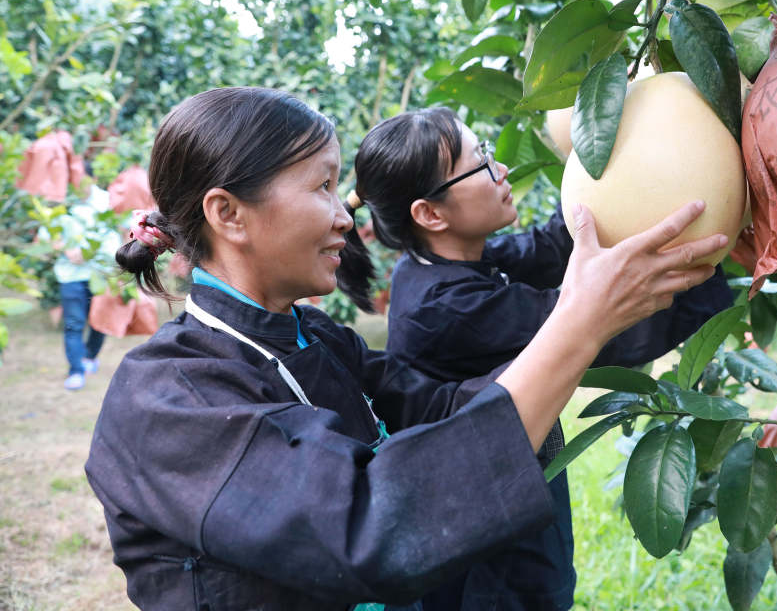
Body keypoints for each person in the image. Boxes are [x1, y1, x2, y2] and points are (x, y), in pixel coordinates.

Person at [84, 87, 727, 611]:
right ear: (228, 215)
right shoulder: (168, 400)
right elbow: (372, 529)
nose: (344, 216)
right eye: (322, 187)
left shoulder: (319, 340)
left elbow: (445, 407)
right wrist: (578, 323)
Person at [336, 107, 734, 611]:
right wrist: (720, 249)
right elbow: (600, 324)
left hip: (509, 499)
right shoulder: (444, 308)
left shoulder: (455, 263)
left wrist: (603, 147)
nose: (500, 171)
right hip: (487, 547)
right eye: (479, 165)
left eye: (486, 154)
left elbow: (552, 246)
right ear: (430, 214)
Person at [39, 181, 117, 390]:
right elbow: (46, 237)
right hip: (70, 275)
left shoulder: (107, 200)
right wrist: (66, 249)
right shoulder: (62, 203)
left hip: (100, 273)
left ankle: (89, 356)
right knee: (73, 324)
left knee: (100, 322)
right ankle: (76, 370)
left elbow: (118, 230)